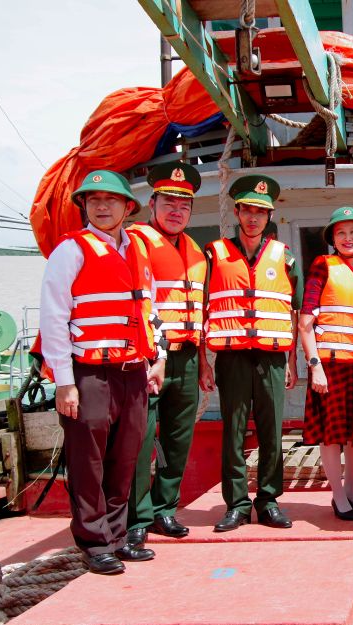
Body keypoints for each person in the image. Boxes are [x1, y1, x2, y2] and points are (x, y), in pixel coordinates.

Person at [35, 170, 165, 574]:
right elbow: (53, 318)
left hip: (133, 372)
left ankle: (117, 536)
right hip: (88, 372)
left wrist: (157, 358)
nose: (102, 207)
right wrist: (64, 383)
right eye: (93, 201)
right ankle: (94, 543)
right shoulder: (70, 251)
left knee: (126, 457)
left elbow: (151, 311)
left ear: (128, 207)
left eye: (111, 200)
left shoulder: (139, 252)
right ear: (85, 207)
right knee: (88, 460)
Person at [198, 174, 302, 531]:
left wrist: (292, 363)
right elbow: (201, 311)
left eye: (261, 211)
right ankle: (237, 504)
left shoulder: (285, 257)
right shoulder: (214, 254)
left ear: (269, 216)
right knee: (234, 430)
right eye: (248, 210)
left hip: (272, 357)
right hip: (231, 356)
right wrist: (203, 363)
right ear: (238, 213)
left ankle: (269, 500)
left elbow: (294, 312)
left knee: (273, 431)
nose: (254, 217)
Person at [124, 162, 206, 549]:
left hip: (188, 355)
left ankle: (164, 508)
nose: (177, 210)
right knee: (141, 439)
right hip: (150, 357)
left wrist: (204, 360)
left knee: (178, 437)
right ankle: (137, 516)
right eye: (169, 202)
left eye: (184, 205)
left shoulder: (195, 250)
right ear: (151, 203)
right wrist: (150, 356)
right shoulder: (135, 242)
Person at [298, 206, 353, 521]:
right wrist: (314, 365)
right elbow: (305, 322)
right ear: (333, 238)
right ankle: (337, 496)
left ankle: (351, 491)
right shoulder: (323, 266)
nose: (348, 238)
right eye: (341, 233)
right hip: (331, 366)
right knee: (333, 434)